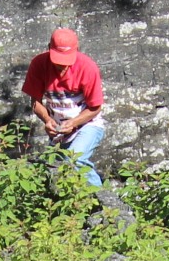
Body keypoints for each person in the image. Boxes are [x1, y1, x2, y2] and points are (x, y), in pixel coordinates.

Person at [21, 27, 106, 187]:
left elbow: (95, 107)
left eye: (67, 60)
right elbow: (35, 101)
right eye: (58, 60)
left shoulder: (87, 67)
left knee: (75, 160)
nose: (62, 66)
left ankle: (105, 204)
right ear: (49, 48)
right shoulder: (39, 64)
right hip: (59, 129)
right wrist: (47, 119)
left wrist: (73, 123)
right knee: (55, 171)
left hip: (88, 124)